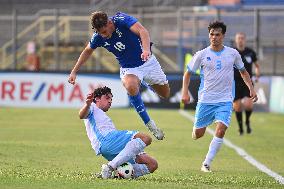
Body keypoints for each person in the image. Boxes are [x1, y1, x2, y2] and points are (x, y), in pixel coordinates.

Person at [68, 11, 170, 140]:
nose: (103, 36)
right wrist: (74, 71)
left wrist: (145, 50)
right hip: (129, 69)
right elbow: (87, 51)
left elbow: (143, 31)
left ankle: (145, 82)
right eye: (100, 33)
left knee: (165, 94)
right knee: (131, 86)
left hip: (148, 62)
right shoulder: (98, 37)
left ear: (110, 23)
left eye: (104, 32)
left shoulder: (122, 20)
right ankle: (150, 124)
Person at [181, 21, 258, 172]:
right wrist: (184, 92)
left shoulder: (232, 53)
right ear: (209, 35)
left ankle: (206, 163)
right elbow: (187, 73)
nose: (214, 37)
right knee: (198, 134)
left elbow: (243, 71)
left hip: (225, 100)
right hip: (206, 100)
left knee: (221, 129)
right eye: (211, 34)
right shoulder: (201, 54)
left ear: (223, 36)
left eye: (217, 34)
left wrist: (251, 88)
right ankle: (197, 129)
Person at [79, 85, 158, 179]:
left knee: (152, 164)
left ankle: (115, 174)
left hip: (112, 147)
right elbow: (81, 115)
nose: (110, 101)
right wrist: (87, 104)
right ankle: (110, 167)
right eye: (107, 98)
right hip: (107, 140)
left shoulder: (102, 115)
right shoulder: (92, 107)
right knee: (145, 138)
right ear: (97, 99)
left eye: (111, 99)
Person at [233, 32, 260, 135]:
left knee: (248, 105)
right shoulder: (232, 52)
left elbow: (257, 65)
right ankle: (240, 128)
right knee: (238, 107)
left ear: (245, 40)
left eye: (242, 38)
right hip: (235, 83)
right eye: (238, 38)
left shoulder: (251, 52)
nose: (240, 40)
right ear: (236, 40)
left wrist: (257, 75)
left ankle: (247, 122)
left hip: (247, 82)